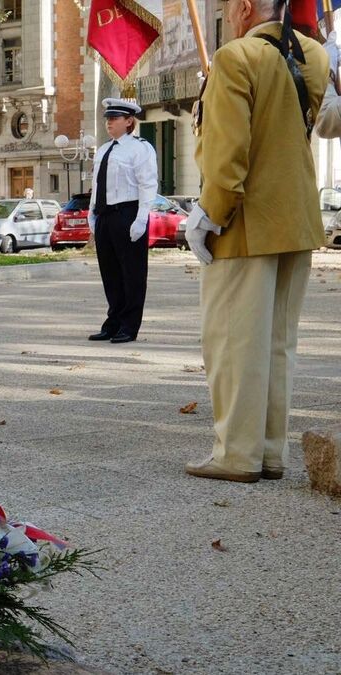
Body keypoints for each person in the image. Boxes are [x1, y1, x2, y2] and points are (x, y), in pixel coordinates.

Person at [183, 1, 328, 483]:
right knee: (276, 343)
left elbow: (228, 154)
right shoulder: (314, 55)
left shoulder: (234, 57)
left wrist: (208, 215)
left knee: (233, 342)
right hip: (296, 217)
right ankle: (268, 451)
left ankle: (236, 455)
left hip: (244, 221)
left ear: (244, 8)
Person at [86, 99, 157, 344]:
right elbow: (97, 184)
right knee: (111, 274)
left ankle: (129, 325)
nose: (109, 123)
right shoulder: (105, 150)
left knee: (132, 273)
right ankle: (113, 322)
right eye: (108, 119)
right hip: (106, 216)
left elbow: (148, 184)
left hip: (128, 213)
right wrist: (92, 212)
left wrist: (141, 218)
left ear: (129, 121)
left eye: (114, 119)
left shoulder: (140, 148)